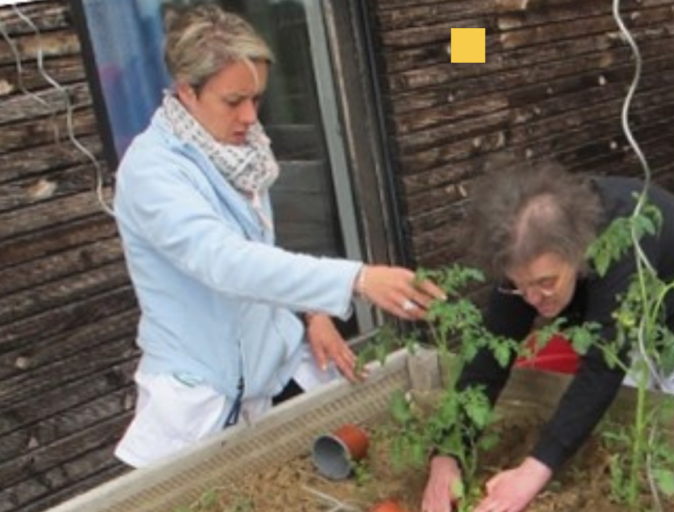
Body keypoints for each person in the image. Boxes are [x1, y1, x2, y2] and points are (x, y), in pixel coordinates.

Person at [113, 4, 443, 468]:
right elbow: (226, 263)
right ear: (187, 93)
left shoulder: (237, 152)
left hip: (272, 366)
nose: (250, 117)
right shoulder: (153, 173)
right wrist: (357, 280)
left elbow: (259, 251)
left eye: (257, 98)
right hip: (202, 391)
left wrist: (311, 314)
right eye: (234, 101)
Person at [420, 161, 674, 512]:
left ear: (578, 252)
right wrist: (448, 452)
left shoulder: (623, 245)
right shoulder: (523, 257)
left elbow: (602, 366)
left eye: (546, 283)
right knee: (624, 413)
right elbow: (492, 352)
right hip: (627, 306)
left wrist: (532, 473)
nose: (532, 298)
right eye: (520, 286)